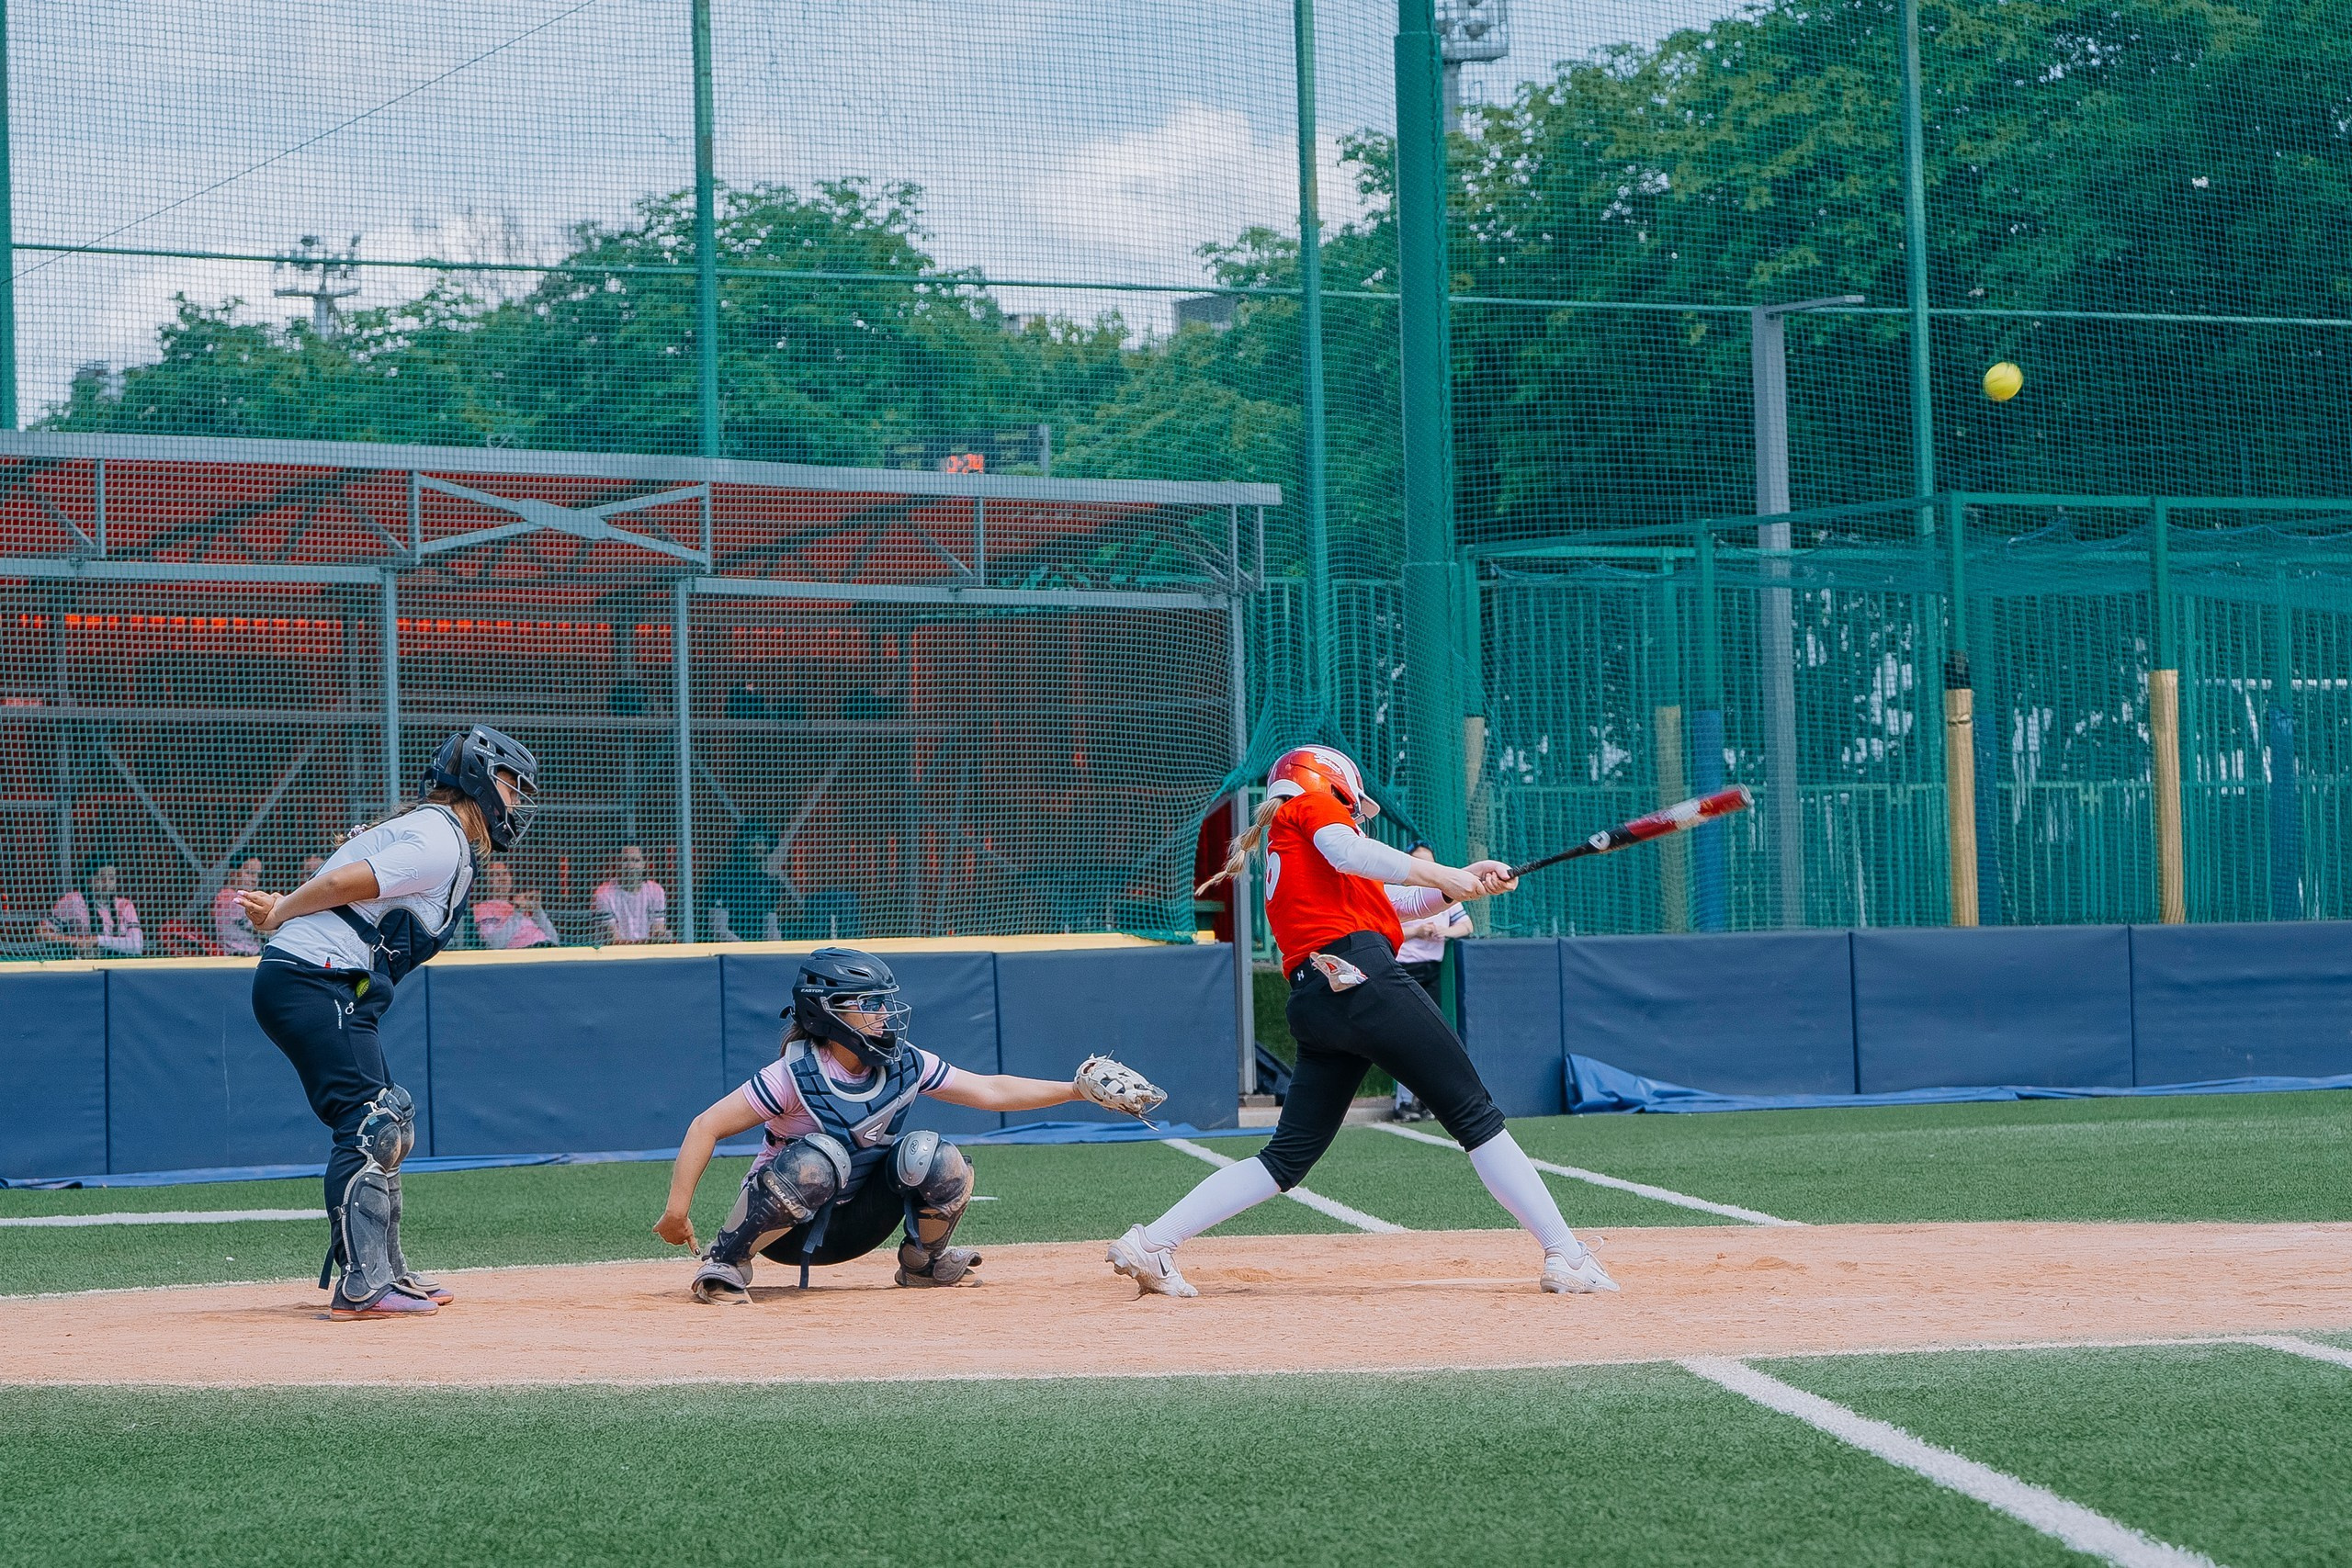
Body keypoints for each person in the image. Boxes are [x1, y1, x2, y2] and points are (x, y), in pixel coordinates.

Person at [1108, 744, 1616, 1300]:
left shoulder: (1296, 844)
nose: (1353, 812)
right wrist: (1443, 871)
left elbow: (1394, 899)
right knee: (1474, 1114)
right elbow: (1351, 852)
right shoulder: (1310, 807)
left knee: (1285, 1159)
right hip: (1361, 977)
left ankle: (1153, 1243)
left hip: (1318, 998)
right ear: (1332, 783)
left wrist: (1457, 881)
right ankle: (1566, 1254)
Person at [655, 947, 1165, 1302]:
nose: (883, 1014)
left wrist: (1074, 1088)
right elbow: (705, 1126)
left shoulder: (905, 1062)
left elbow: (988, 1090)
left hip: (863, 1223)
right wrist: (677, 1213)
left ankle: (922, 1263)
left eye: (884, 1002)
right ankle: (726, 1260)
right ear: (827, 1013)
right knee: (821, 1158)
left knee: (932, 1154)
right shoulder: (792, 1074)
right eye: (869, 1004)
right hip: (784, 1232)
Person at [240, 726, 539, 1322]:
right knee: (368, 1122)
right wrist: (280, 909)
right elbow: (343, 883)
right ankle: (361, 1281)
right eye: (510, 785)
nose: (516, 801)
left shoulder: (440, 834)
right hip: (313, 975)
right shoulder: (439, 837)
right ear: (478, 779)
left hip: (334, 980)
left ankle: (383, 1265)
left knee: (390, 1118)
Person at [1390, 841, 1472, 1122]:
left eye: (1430, 862)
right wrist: (1416, 931)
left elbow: (1466, 926)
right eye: (1420, 863)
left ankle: (1426, 1100)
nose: (1428, 868)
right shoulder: (1398, 892)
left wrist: (1444, 932)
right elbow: (1384, 928)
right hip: (1402, 968)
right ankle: (1403, 1102)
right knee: (1403, 1036)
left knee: (1431, 1037)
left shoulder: (1446, 890)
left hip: (1431, 971)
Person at [39, 856, 143, 957]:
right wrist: (75, 942)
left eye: (111, 878)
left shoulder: (125, 906)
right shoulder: (72, 901)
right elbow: (41, 933)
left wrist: (96, 940)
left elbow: (137, 946)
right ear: (88, 880)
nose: (106, 883)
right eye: (100, 878)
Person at [470, 858, 558, 950]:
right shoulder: (483, 909)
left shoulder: (520, 905)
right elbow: (495, 944)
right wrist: (517, 911)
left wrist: (537, 910)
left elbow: (555, 939)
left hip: (547, 949)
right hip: (524, 953)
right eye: (495, 875)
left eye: (505, 873)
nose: (502, 879)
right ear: (486, 882)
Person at [593, 843, 671, 943]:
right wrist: (650, 942)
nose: (631, 866)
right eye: (625, 860)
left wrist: (661, 936)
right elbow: (614, 942)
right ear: (617, 863)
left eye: (636, 860)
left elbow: (658, 931)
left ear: (643, 864)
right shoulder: (603, 895)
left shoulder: (656, 891)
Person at [211, 857, 266, 955]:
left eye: (258, 875)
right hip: (240, 954)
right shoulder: (229, 898)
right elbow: (259, 927)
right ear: (232, 873)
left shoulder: (242, 898)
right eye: (249, 873)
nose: (255, 879)